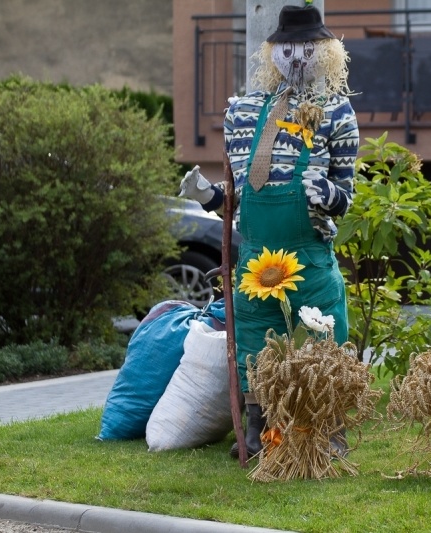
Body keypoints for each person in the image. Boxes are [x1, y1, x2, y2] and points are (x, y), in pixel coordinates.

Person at [179, 3, 358, 459]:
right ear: (272, 52)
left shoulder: (335, 113)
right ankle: (261, 438)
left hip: (310, 258)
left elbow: (346, 193)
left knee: (320, 343)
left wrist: (325, 194)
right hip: (255, 262)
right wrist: (206, 195)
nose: (297, 58)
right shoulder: (240, 114)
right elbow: (235, 198)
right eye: (288, 48)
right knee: (256, 350)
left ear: (327, 53)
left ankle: (323, 437)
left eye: (308, 48)